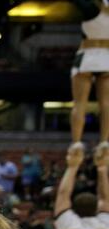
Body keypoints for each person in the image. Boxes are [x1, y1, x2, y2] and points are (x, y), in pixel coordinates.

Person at [70, 0, 109, 143]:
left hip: (88, 56)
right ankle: (105, 142)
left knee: (79, 103)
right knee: (106, 104)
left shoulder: (93, 7)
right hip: (107, 57)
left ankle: (75, 143)